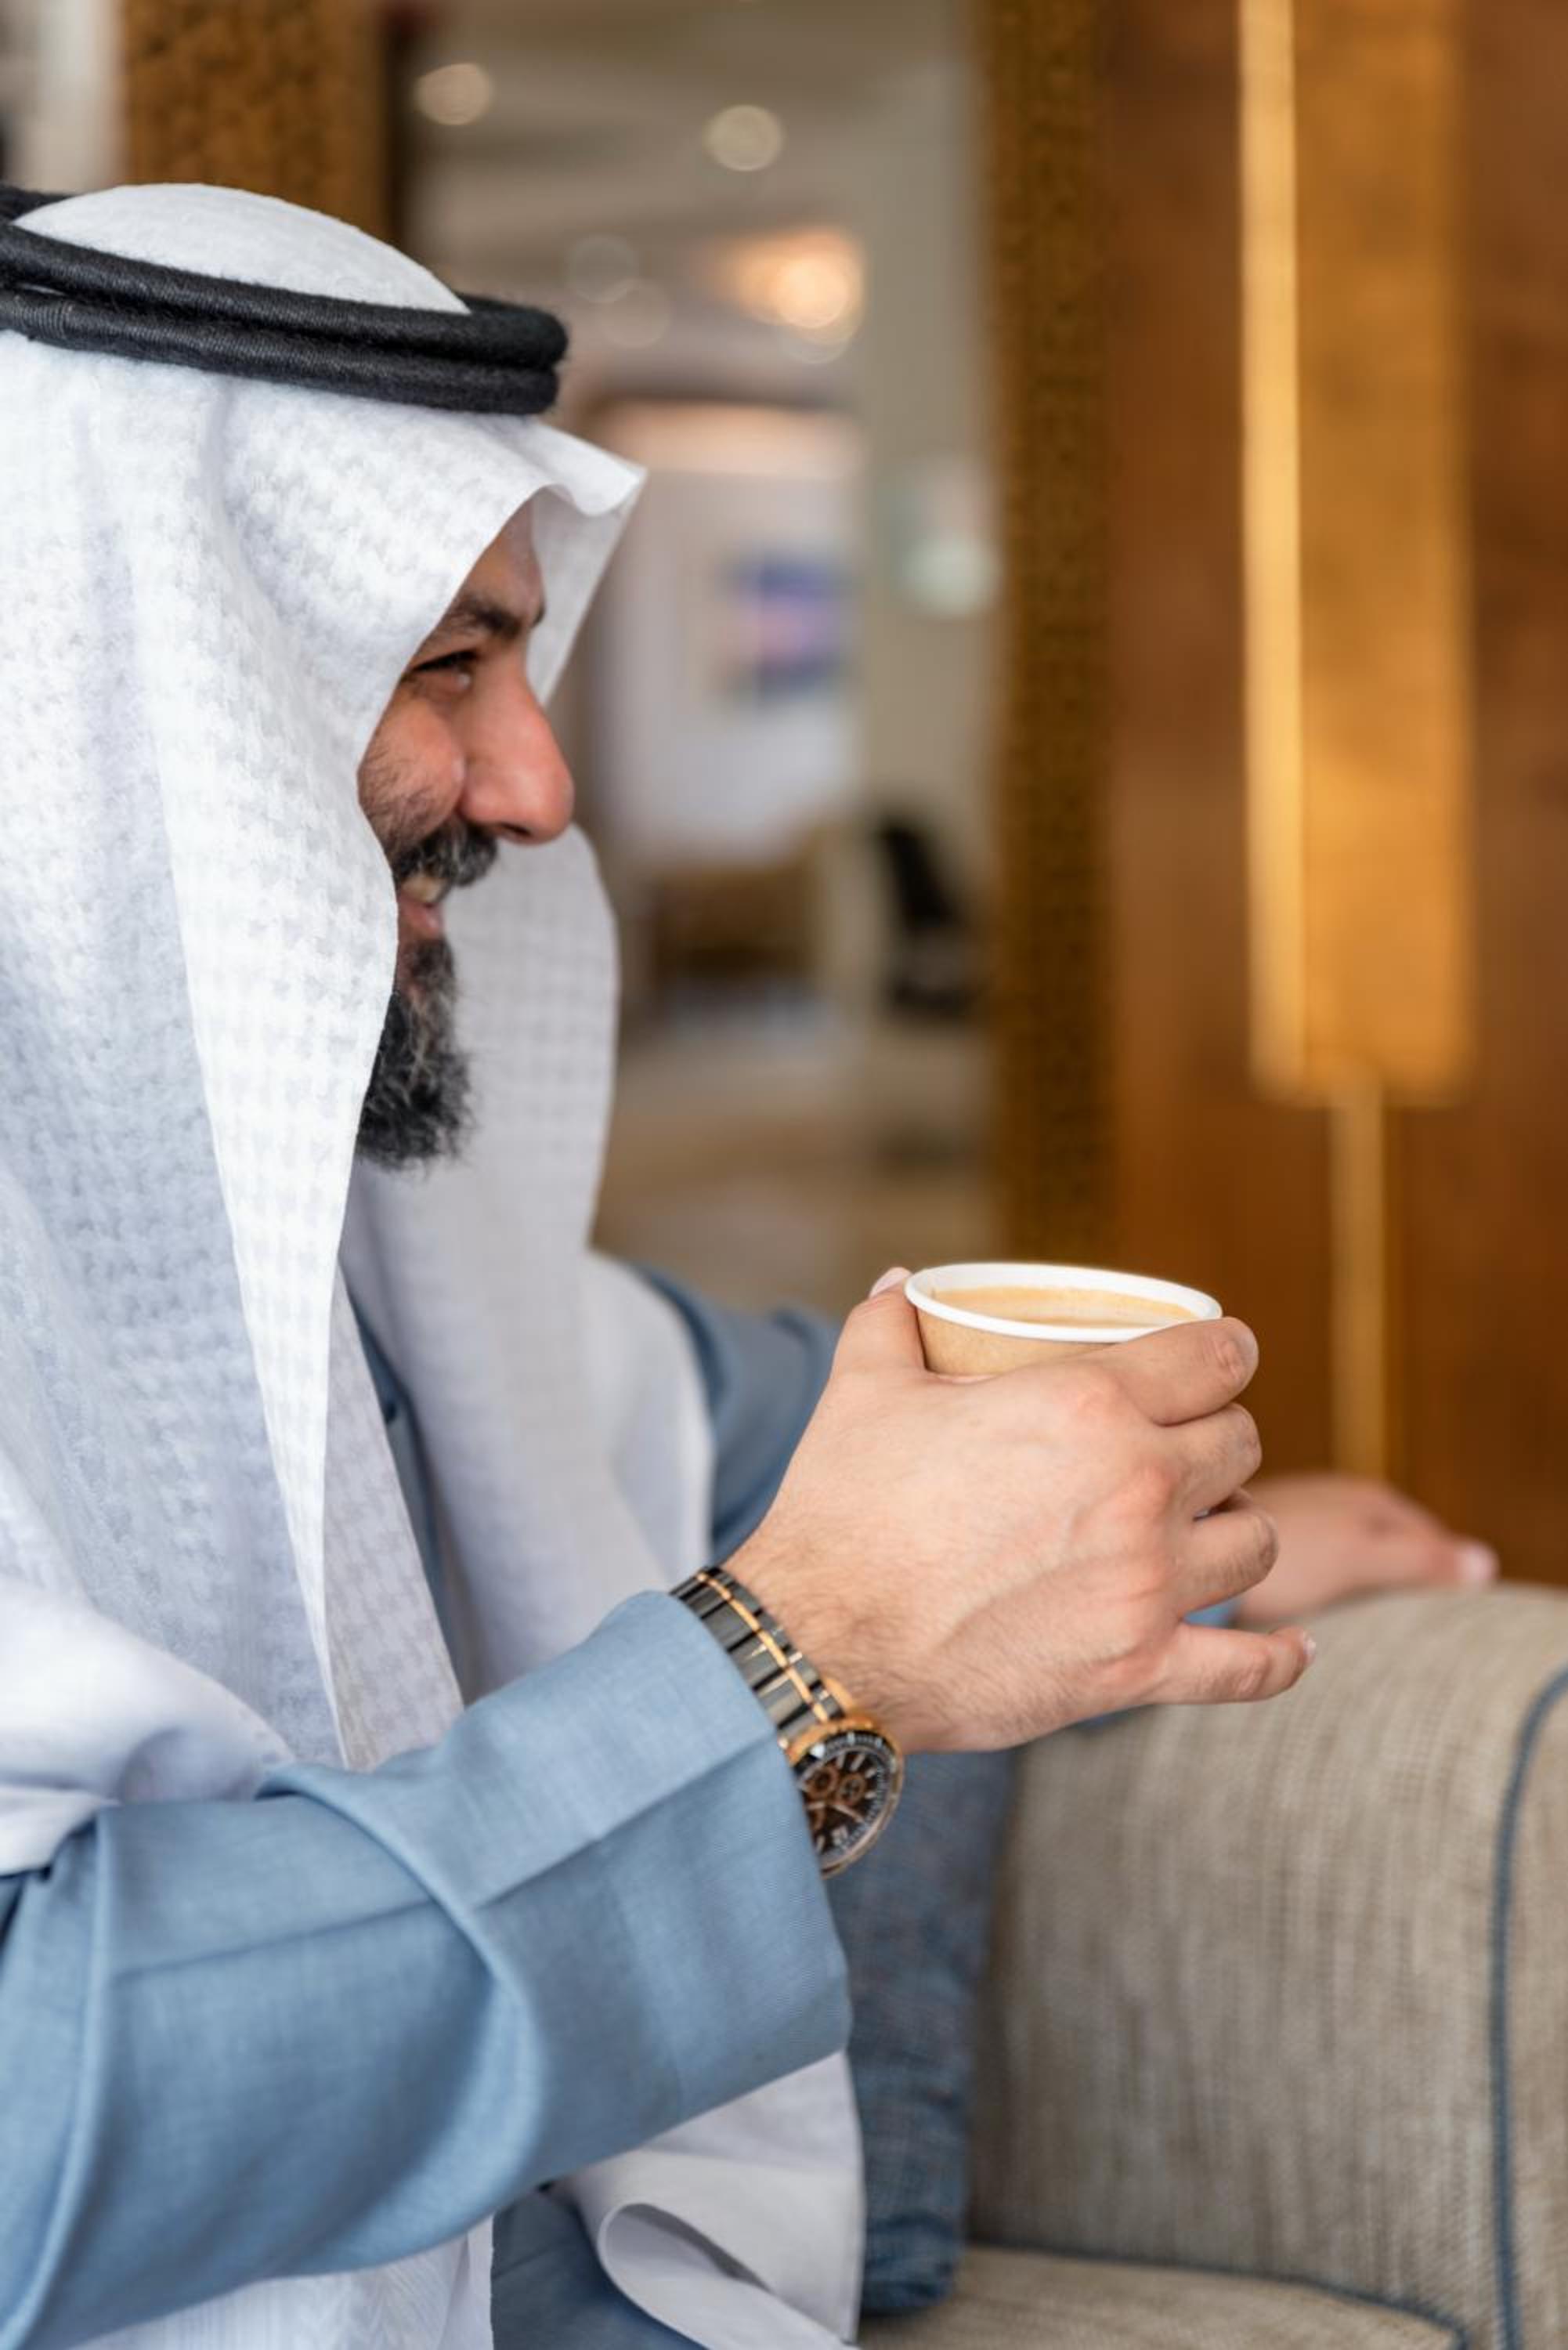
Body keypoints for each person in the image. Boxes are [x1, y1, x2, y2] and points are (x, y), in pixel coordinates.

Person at [0, 182, 1483, 2350]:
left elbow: (695, 1399)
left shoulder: (327, 1230)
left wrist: (1155, 1509)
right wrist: (806, 1664)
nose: (539, 784)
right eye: (447, 667)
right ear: (111, 713)